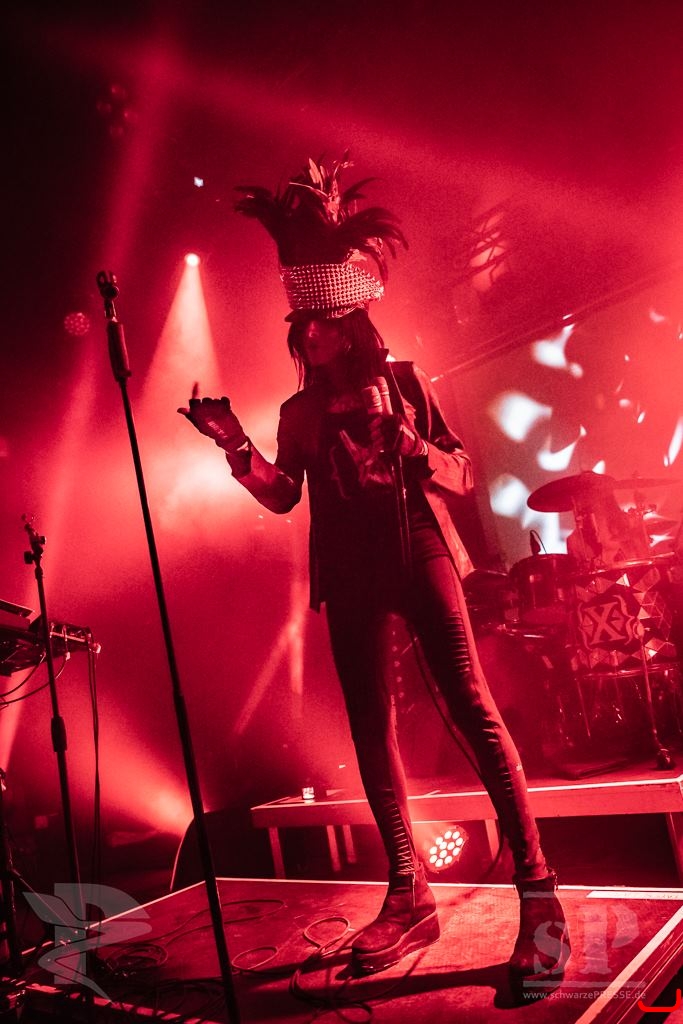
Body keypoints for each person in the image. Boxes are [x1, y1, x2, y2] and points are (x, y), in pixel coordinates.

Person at [179, 155, 569, 994]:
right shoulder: (298, 412)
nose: (305, 336)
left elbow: (462, 474)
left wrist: (415, 447)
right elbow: (283, 496)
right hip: (347, 572)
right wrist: (234, 445)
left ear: (347, 324)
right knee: (369, 732)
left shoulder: (402, 383)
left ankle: (538, 893)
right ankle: (407, 890)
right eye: (299, 328)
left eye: (316, 324)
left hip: (416, 550)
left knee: (471, 710)